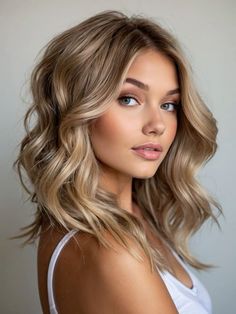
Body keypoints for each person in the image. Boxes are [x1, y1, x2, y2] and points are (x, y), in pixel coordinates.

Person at [14, 10, 221, 314]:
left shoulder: (129, 214)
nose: (158, 125)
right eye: (129, 99)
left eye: (168, 104)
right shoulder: (114, 251)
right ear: (80, 106)